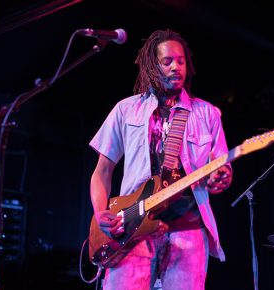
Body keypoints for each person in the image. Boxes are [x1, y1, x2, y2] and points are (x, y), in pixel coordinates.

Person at [89, 28, 233, 290]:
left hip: (188, 229)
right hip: (133, 225)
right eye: (167, 62)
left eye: (181, 61)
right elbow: (102, 171)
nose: (176, 67)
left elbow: (219, 164)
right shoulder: (126, 109)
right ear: (152, 66)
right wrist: (100, 213)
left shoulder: (207, 114)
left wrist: (221, 176)